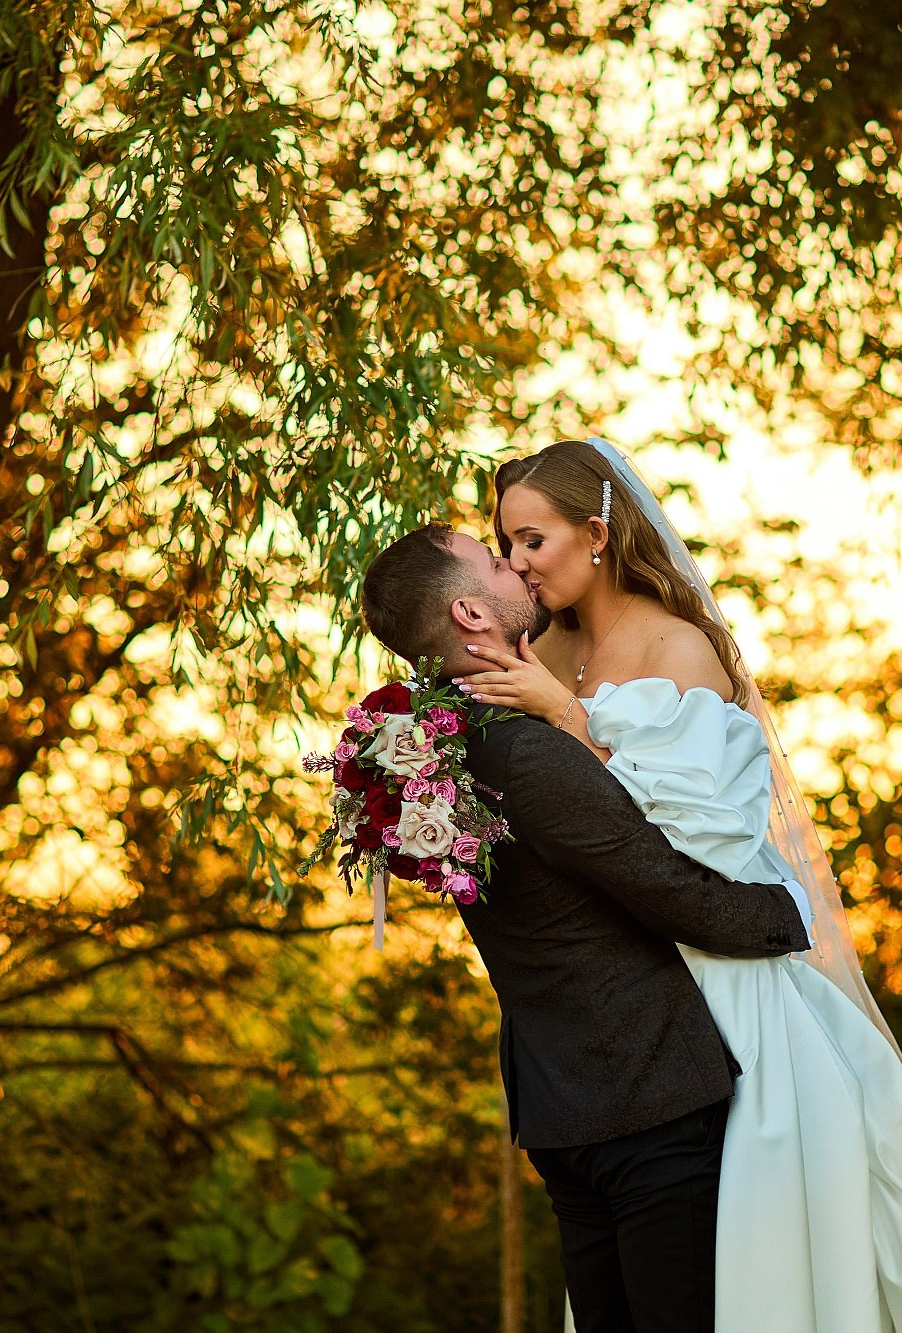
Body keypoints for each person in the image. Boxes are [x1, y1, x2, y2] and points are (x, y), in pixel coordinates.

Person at [456, 438, 902, 1333]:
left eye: (531, 541)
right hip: (624, 977)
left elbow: (691, 833)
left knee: (820, 1162)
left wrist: (565, 716)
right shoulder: (541, 647)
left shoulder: (681, 647)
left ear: (596, 533)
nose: (515, 564)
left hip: (714, 954)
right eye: (502, 544)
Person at [358, 525, 812, 1333]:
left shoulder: (441, 749)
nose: (517, 568)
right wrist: (788, 913)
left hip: (559, 1103)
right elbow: (663, 884)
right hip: (645, 1095)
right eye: (496, 561)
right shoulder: (523, 753)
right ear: (470, 610)